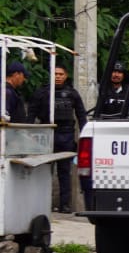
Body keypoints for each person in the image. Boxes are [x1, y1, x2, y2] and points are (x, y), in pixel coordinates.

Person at [28, 65, 88, 213]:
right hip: (46, 135)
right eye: (55, 74)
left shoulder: (72, 94)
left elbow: (81, 116)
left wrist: (84, 137)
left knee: (64, 172)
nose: (58, 76)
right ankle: (41, 204)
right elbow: (30, 115)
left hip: (66, 136)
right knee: (44, 172)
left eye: (61, 74)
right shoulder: (42, 93)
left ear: (66, 76)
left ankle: (64, 205)